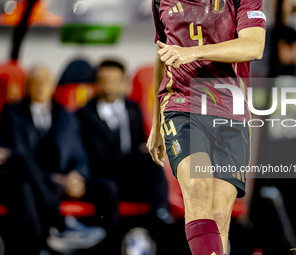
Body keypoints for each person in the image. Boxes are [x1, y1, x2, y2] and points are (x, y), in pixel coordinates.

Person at [147, 1, 266, 255]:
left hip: (229, 110)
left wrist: (196, 52)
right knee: (198, 188)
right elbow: (163, 52)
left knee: (220, 216)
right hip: (182, 104)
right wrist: (157, 123)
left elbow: (254, 46)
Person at [0, 66, 118, 254]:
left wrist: (77, 175)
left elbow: (78, 151)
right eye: (35, 82)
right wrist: (55, 179)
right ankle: (60, 226)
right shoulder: (13, 113)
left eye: (45, 82)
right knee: (22, 173)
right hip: (36, 179)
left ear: (52, 85)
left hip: (62, 178)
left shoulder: (65, 114)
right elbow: (20, 154)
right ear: (27, 86)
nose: (40, 87)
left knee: (107, 188)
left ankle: (109, 248)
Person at [77, 59, 170, 219]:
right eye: (104, 81)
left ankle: (162, 215)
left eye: (114, 81)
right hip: (103, 173)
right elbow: (99, 157)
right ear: (97, 83)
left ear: (123, 83)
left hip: (129, 175)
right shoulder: (86, 113)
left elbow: (140, 140)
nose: (109, 86)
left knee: (153, 162)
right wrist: (138, 153)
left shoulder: (133, 108)